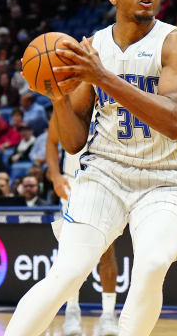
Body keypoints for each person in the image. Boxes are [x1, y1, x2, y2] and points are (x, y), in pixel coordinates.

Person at [4, 0, 177, 336]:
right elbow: (74, 143)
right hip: (105, 174)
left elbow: (175, 122)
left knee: (153, 264)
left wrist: (102, 77)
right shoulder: (91, 47)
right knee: (67, 273)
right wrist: (59, 97)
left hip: (164, 178)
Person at [43, 116, 120, 336]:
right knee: (71, 252)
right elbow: (51, 141)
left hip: (104, 181)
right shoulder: (67, 98)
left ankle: (108, 315)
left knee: (107, 250)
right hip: (72, 183)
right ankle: (72, 311)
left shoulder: (108, 97)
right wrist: (55, 176)